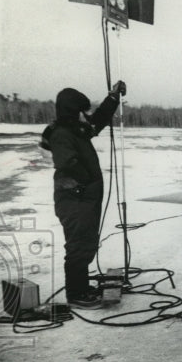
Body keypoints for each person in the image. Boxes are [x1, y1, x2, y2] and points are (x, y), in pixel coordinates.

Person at [40, 80, 127, 309]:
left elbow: (97, 122)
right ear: (73, 111)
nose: (86, 115)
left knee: (86, 244)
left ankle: (80, 287)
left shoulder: (75, 130)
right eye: (82, 111)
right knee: (78, 246)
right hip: (75, 199)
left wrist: (112, 98)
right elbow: (67, 163)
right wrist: (86, 182)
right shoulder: (62, 135)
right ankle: (76, 294)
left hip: (84, 198)